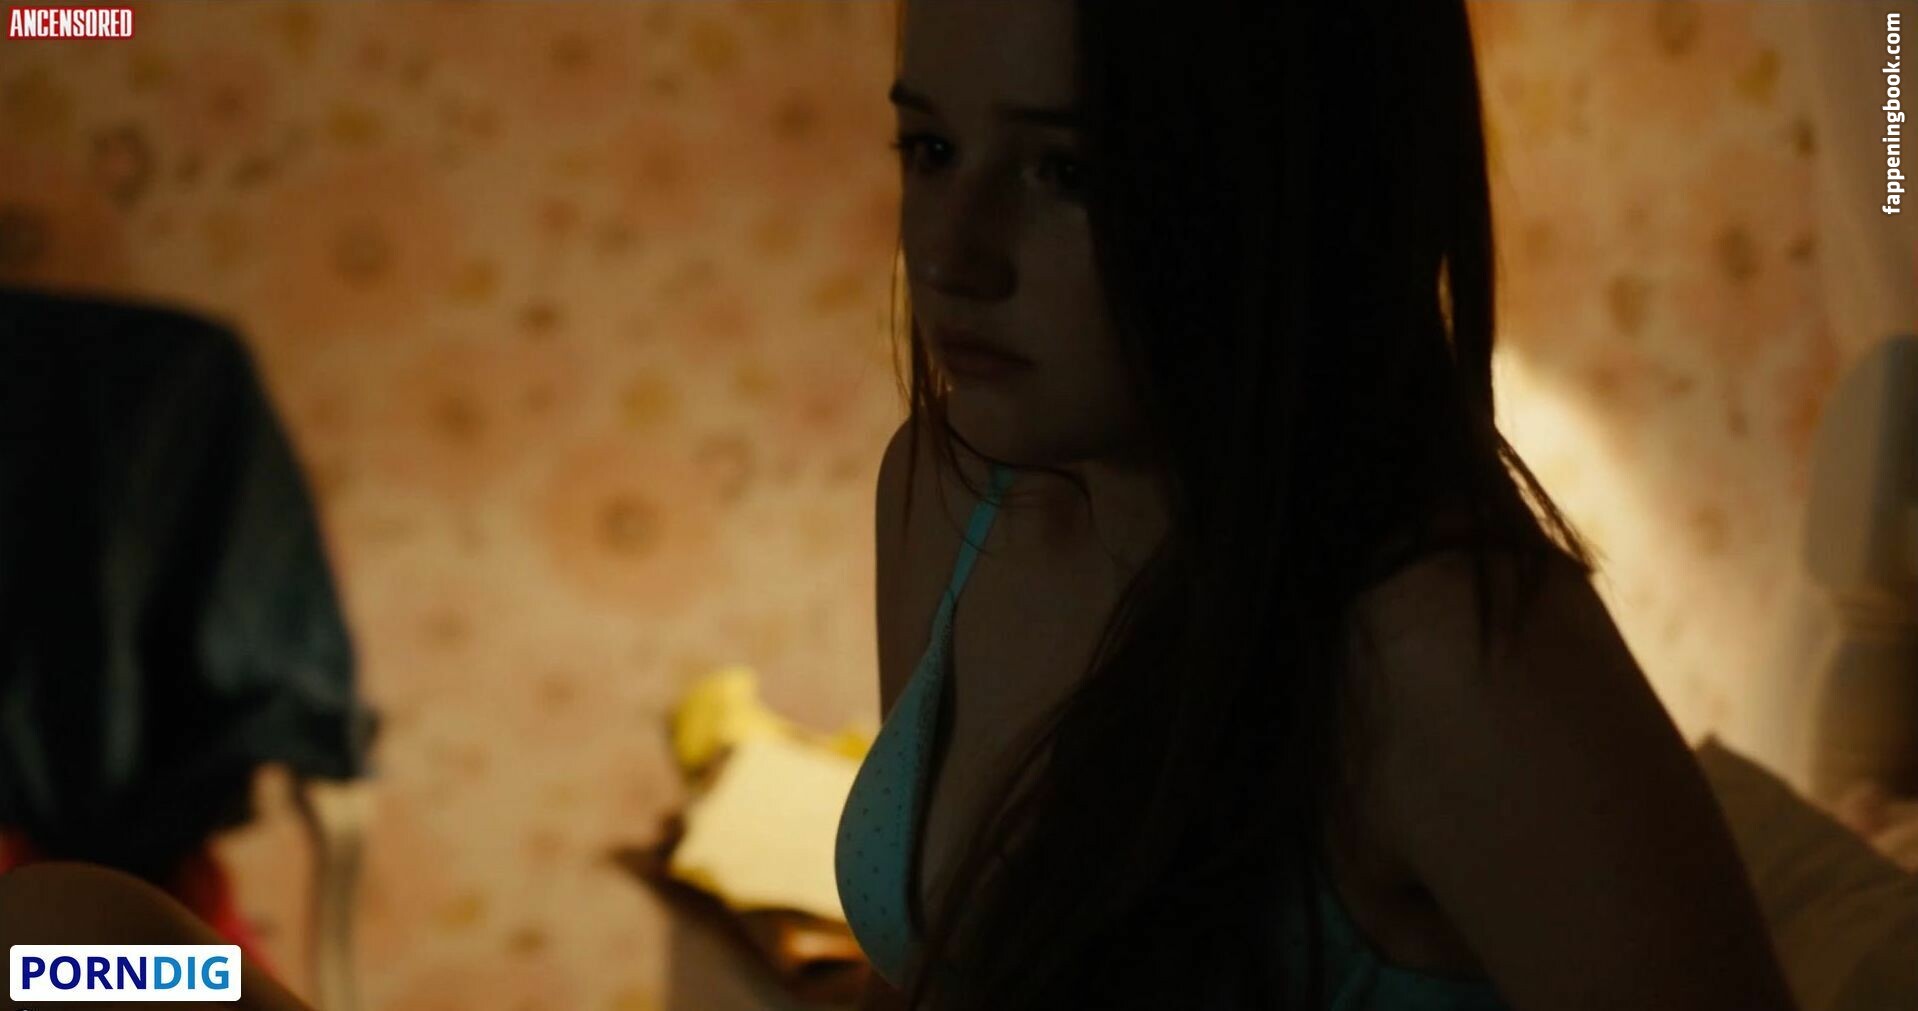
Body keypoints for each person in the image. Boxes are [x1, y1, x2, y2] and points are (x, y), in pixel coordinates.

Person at [835, 2, 1801, 1010]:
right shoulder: (944, 487)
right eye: (931, 148)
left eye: (1068, 171)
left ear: (1300, 186)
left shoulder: (1445, 658)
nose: (948, 257)